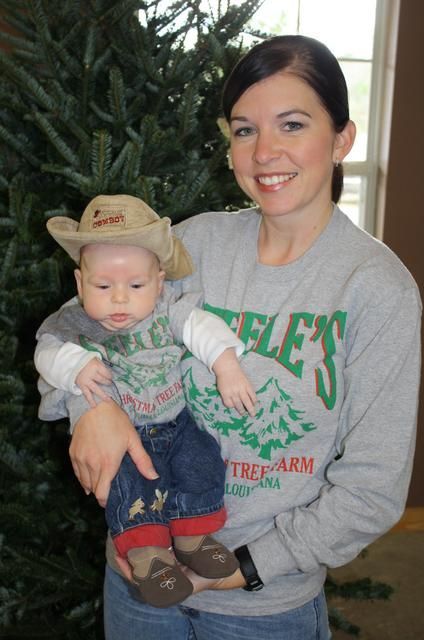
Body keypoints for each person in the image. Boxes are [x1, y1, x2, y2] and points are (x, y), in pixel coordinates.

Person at [42, 35, 422, 639]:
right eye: (245, 130)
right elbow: (71, 328)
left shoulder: (376, 288)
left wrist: (243, 570)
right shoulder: (197, 245)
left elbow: (372, 491)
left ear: (342, 138)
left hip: (264, 608)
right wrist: (91, 409)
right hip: (140, 579)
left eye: (291, 124)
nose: (265, 152)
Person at [35, 194, 259, 608]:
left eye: (136, 285)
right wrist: (76, 368)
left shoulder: (166, 309)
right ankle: (149, 557)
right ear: (81, 283)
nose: (119, 299)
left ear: (158, 282)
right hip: (123, 437)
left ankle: (195, 537)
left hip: (174, 422)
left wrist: (226, 364)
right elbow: (47, 352)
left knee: (202, 458)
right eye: (103, 286)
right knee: (129, 488)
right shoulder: (73, 322)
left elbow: (200, 327)